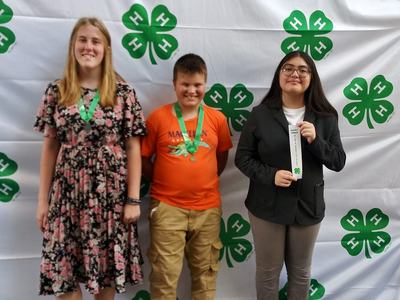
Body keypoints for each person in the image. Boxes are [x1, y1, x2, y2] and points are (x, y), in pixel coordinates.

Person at [34, 17, 146, 300]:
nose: (88, 46)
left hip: (110, 197)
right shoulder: (57, 92)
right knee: (65, 278)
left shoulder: (124, 94)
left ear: (106, 48)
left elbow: (133, 148)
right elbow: (50, 147)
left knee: (105, 275)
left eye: (96, 41)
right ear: (73, 45)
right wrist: (42, 200)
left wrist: (133, 199)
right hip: (67, 197)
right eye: (82, 40)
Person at [235, 51, 346, 300]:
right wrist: (270, 175)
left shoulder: (326, 117)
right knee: (267, 272)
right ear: (279, 75)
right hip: (266, 204)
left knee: (300, 273)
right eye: (288, 68)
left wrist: (316, 140)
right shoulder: (260, 114)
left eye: (303, 70)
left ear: (311, 78)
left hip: (307, 205)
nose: (295, 73)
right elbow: (242, 158)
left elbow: (338, 161)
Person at [141, 53, 233, 300]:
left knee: (205, 277)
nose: (191, 90)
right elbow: (142, 159)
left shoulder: (217, 119)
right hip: (167, 208)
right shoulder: (158, 118)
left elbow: (221, 157)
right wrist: (163, 179)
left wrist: (204, 178)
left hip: (208, 209)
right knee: (164, 278)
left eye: (197, 85)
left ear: (205, 85)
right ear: (174, 84)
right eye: (185, 84)